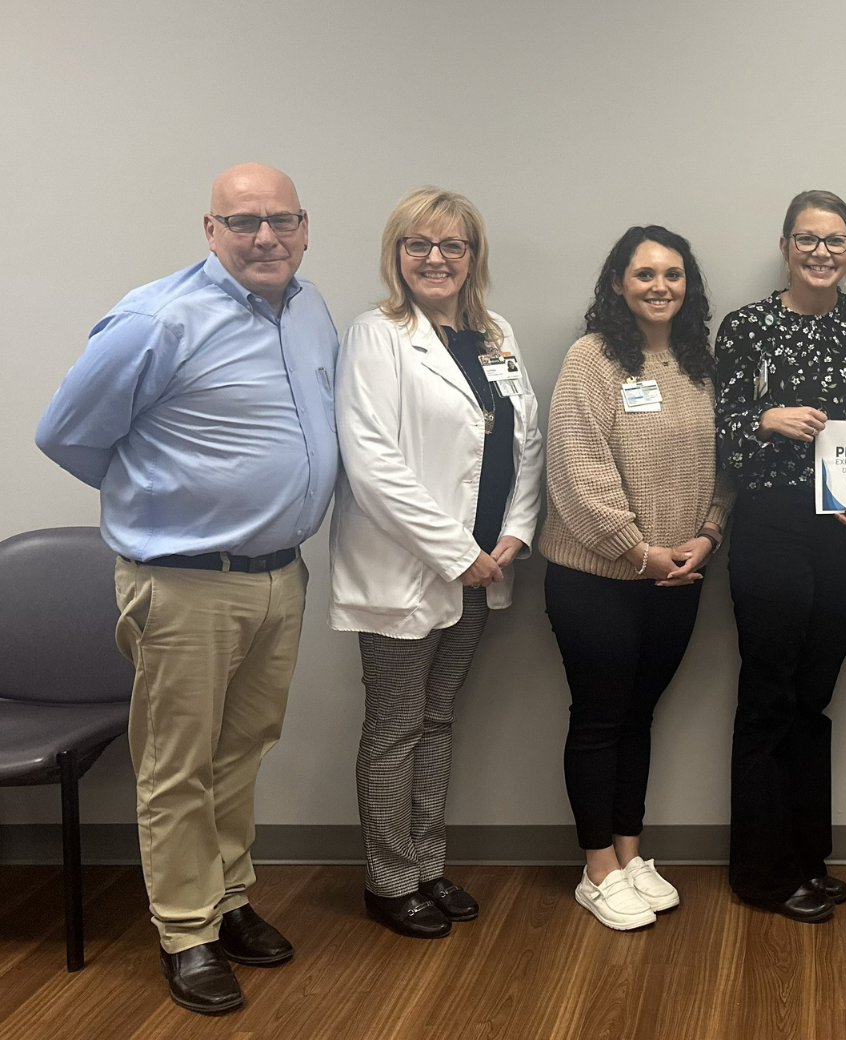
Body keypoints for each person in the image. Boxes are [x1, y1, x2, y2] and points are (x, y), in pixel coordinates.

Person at [35, 164, 338, 1013]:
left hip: (280, 578)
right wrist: (165, 500)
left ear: (306, 226)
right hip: (184, 584)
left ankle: (229, 898)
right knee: (177, 766)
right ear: (210, 230)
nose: (265, 236)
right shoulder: (157, 318)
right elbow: (66, 435)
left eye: (281, 219)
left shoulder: (310, 310)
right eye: (243, 222)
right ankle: (185, 932)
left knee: (241, 753)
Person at [329, 187, 542, 939]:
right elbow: (372, 463)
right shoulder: (376, 334)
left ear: (474, 257)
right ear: (397, 255)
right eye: (419, 244)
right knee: (395, 726)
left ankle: (426, 863)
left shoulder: (496, 334)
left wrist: (514, 533)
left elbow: (523, 442)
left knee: (438, 718)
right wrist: (458, 553)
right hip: (407, 569)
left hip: (484, 568)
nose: (436, 259)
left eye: (453, 246)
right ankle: (388, 880)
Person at [715, 190, 846, 922]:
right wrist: (766, 417)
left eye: (835, 240)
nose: (821, 251)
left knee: (815, 699)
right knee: (769, 693)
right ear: (786, 245)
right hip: (771, 524)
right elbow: (724, 438)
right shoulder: (749, 327)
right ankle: (761, 875)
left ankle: (807, 858)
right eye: (807, 238)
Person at [540, 225, 732, 931]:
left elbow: (724, 467)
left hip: (680, 575)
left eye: (673, 274)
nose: (660, 287)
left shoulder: (699, 363)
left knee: (639, 716)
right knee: (598, 720)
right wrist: (637, 551)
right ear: (618, 282)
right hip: (597, 578)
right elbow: (576, 469)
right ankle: (596, 869)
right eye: (645, 274)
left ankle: (629, 854)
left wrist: (707, 535)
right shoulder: (591, 359)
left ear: (690, 286)